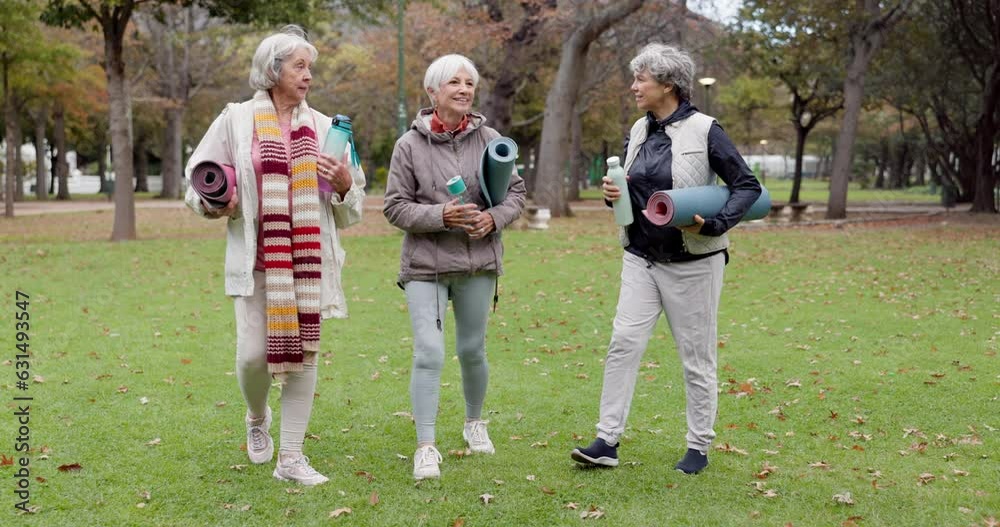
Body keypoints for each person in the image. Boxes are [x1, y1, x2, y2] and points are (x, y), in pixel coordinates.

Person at [184, 25, 365, 486]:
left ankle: (292, 458)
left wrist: (344, 186)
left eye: (310, 67)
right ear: (272, 69)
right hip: (256, 262)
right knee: (251, 358)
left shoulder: (326, 128)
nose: (308, 76)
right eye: (299, 66)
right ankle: (256, 414)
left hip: (307, 267)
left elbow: (353, 206)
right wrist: (211, 201)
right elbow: (197, 178)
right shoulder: (236, 119)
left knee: (304, 356)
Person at [570, 43, 761, 474]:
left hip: (692, 263)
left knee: (696, 358)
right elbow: (635, 191)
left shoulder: (706, 130)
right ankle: (606, 441)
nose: (633, 86)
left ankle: (698, 448)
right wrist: (612, 195)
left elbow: (747, 186)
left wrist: (712, 226)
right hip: (640, 257)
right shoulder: (639, 129)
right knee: (623, 345)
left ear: (668, 85)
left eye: (641, 79)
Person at [383, 54, 526, 480]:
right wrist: (440, 215)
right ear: (432, 92)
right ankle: (426, 446)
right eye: (454, 83)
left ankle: (474, 423)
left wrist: (493, 218)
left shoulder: (492, 139)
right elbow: (393, 207)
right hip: (425, 264)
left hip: (478, 261)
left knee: (471, 349)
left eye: (469, 83)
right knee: (429, 351)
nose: (464, 90)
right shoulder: (408, 146)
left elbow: (515, 195)